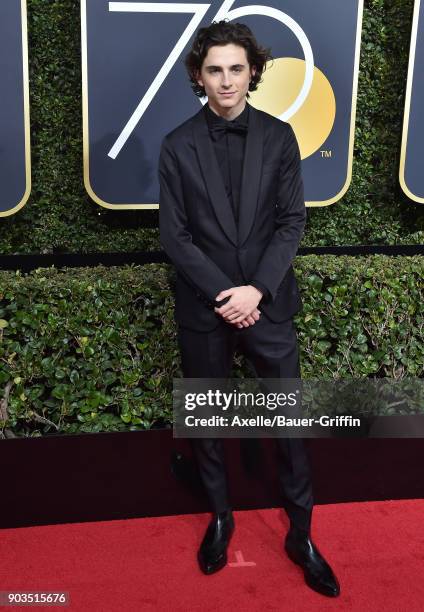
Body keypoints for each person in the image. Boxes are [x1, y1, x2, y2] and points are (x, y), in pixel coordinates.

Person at [158, 20, 340, 597]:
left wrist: (256, 290)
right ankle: (220, 518)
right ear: (198, 76)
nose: (226, 80)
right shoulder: (177, 145)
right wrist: (225, 294)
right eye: (215, 69)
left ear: (253, 72)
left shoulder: (281, 137)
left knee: (287, 422)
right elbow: (175, 236)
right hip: (205, 306)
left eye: (237, 68)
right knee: (209, 422)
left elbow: (292, 222)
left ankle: (302, 533)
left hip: (269, 303)